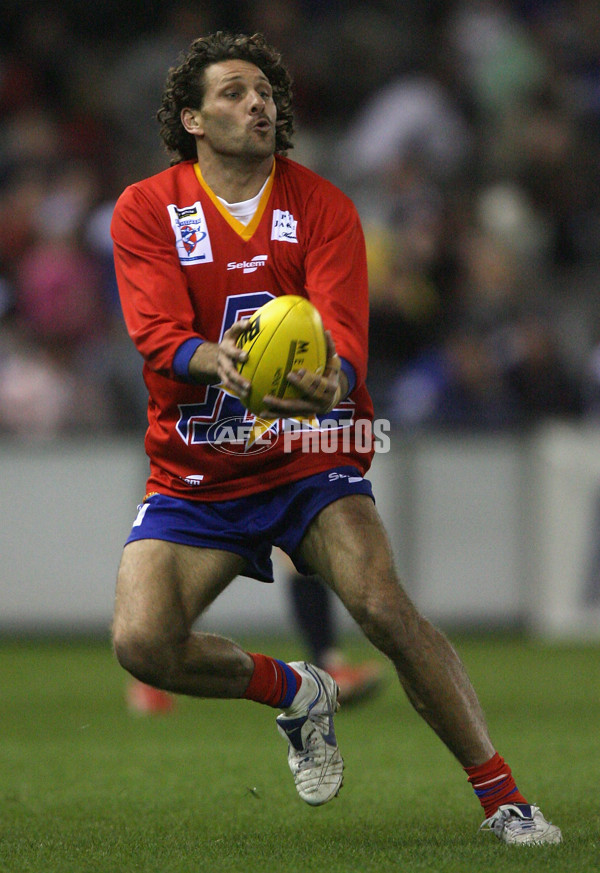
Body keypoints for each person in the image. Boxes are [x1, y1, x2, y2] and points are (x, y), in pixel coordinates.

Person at [110, 31, 561, 843]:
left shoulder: (320, 203)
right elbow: (154, 331)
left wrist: (335, 381)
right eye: (236, 93)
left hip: (310, 455)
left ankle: (504, 797)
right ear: (193, 119)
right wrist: (216, 359)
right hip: (198, 467)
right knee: (143, 643)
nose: (259, 104)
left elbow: (345, 333)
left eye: (266, 92)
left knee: (385, 608)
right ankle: (298, 690)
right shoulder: (147, 207)